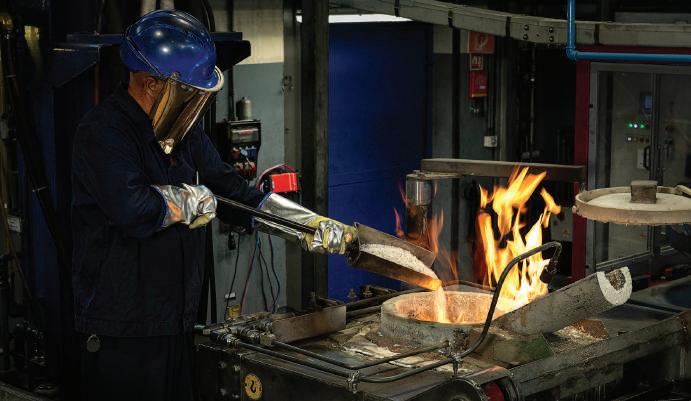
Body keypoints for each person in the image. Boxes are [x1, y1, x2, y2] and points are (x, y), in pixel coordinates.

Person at [71, 9, 354, 401]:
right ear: (153, 84)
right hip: (125, 329)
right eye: (189, 93)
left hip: (179, 320)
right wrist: (187, 200)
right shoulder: (104, 133)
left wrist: (307, 225)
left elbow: (233, 192)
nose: (195, 105)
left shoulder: (181, 133)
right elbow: (133, 209)